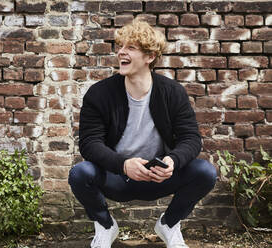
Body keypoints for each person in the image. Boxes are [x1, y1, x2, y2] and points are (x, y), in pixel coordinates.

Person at [68, 19, 217, 248]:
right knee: (80, 173)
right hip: (117, 176)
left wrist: (172, 161)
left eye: (131, 48)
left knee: (205, 171)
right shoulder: (99, 94)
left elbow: (191, 138)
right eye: (120, 46)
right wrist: (124, 164)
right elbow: (89, 143)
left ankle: (169, 224)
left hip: (158, 177)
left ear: (150, 56)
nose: (121, 52)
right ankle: (105, 226)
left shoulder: (172, 92)